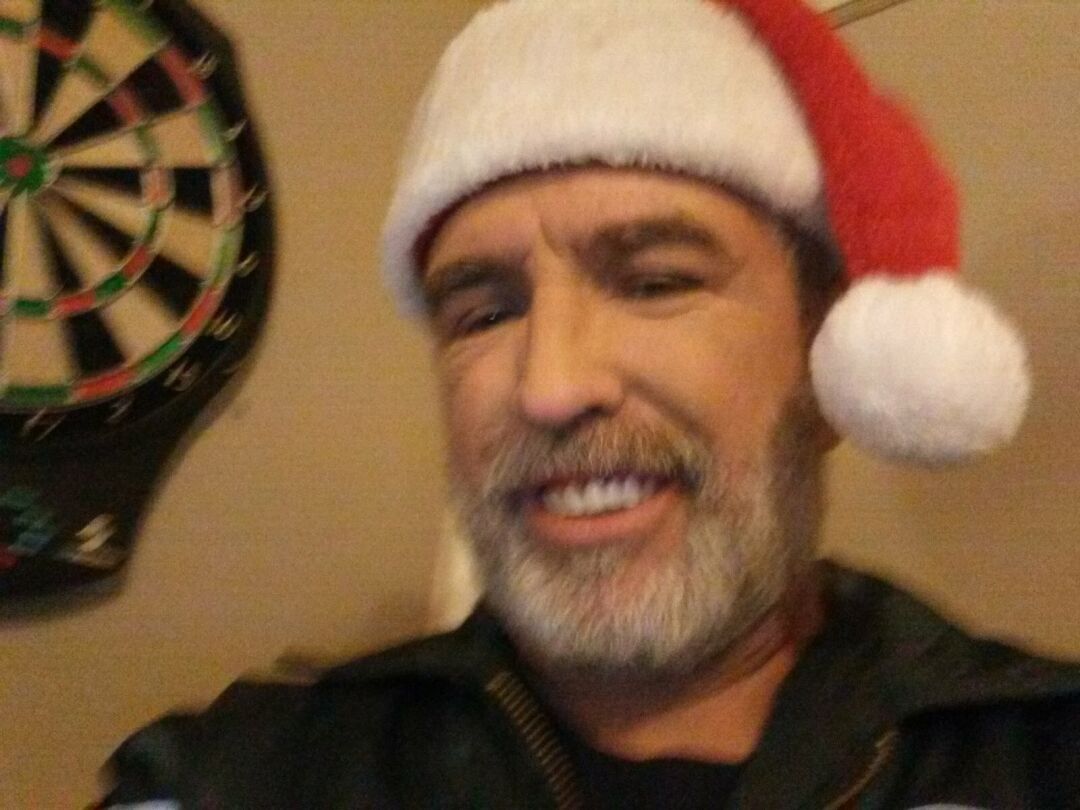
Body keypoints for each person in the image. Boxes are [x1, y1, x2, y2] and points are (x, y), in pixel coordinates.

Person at [98, 0, 1080, 807]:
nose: (550, 386)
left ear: (828, 362)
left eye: (656, 283)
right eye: (484, 312)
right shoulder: (250, 774)